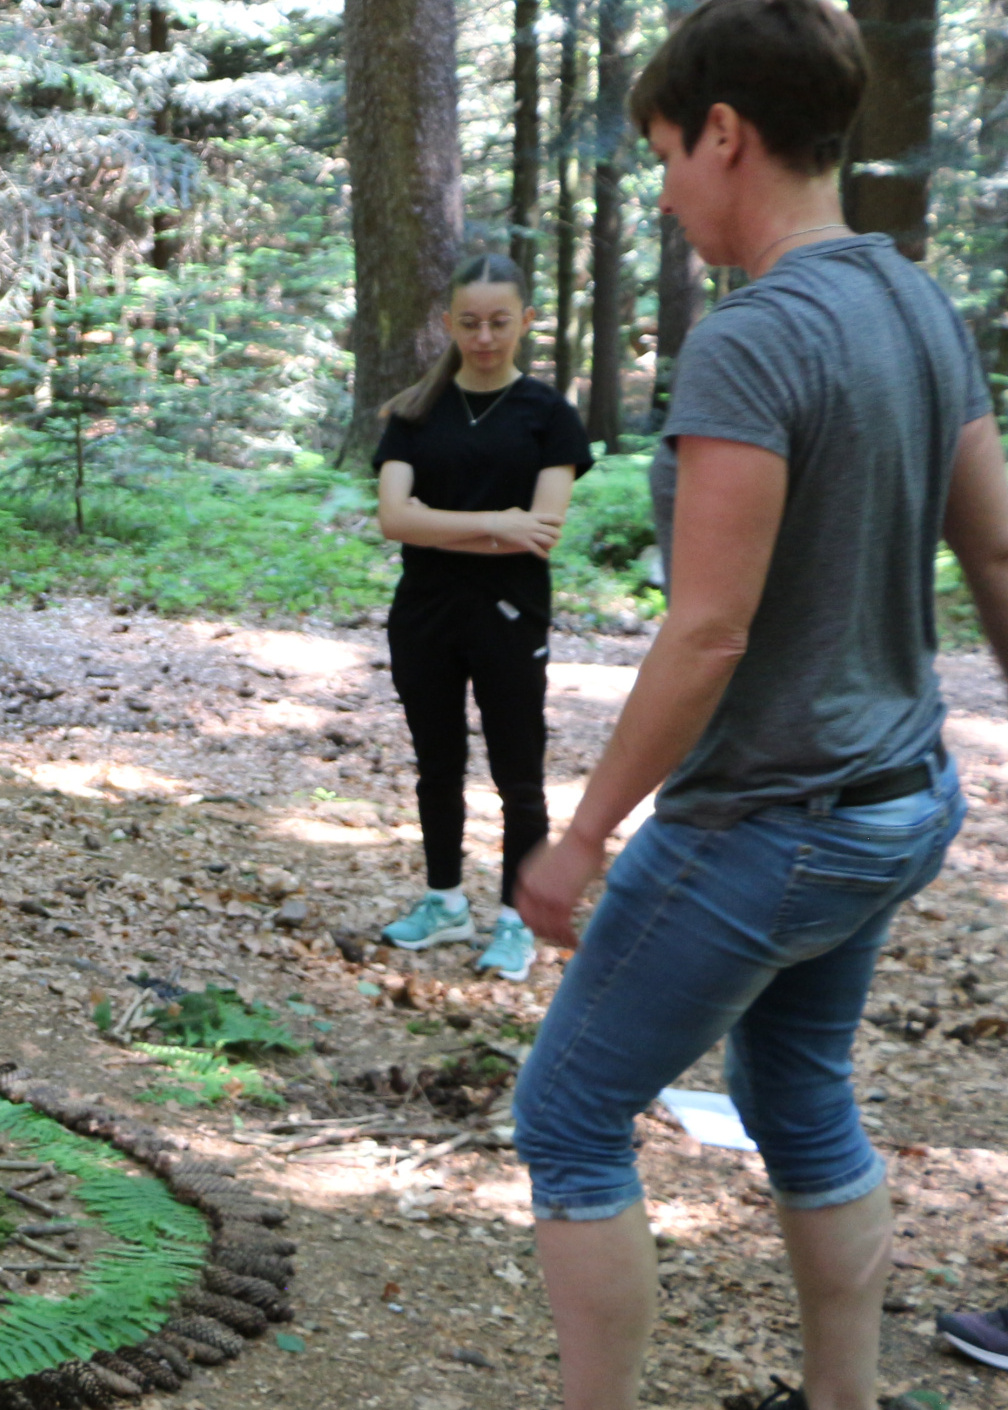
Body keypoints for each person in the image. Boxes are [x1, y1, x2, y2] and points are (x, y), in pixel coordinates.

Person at [510, 0, 1008, 1404]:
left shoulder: (755, 337)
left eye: (667, 154)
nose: (666, 193)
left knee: (567, 1116)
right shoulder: (918, 303)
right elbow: (996, 551)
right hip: (895, 802)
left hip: (770, 821)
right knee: (795, 1088)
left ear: (724, 134)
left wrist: (583, 835)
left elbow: (709, 628)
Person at [370, 252, 592, 984]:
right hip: (425, 614)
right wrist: (498, 522)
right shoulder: (414, 411)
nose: (485, 337)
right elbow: (393, 519)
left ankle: (514, 920)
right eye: (469, 323)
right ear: (448, 324)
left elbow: (543, 531)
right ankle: (444, 901)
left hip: (510, 615)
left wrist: (439, 523)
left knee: (517, 774)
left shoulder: (549, 416)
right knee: (437, 765)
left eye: (499, 322)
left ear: (526, 321)